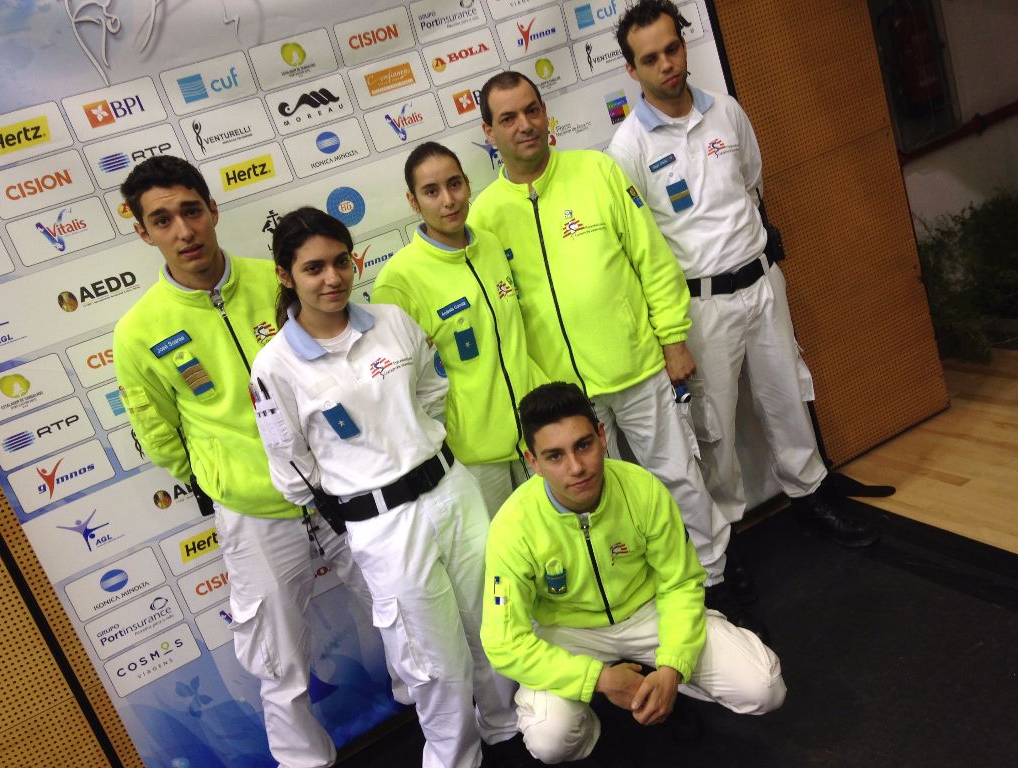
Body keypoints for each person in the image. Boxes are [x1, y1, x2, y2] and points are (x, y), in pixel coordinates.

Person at [114, 157, 389, 768]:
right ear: (143, 232)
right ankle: (304, 761)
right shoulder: (138, 331)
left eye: (191, 211)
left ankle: (436, 713)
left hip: (340, 483)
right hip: (253, 509)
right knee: (278, 659)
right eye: (162, 220)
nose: (184, 230)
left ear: (213, 210)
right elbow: (158, 433)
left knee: (396, 603)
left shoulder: (277, 281)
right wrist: (220, 478)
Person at [468, 71, 763, 633]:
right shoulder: (484, 217)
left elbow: (652, 258)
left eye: (532, 110)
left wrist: (673, 339)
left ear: (545, 112)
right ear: (489, 132)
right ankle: (641, 600)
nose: (525, 125)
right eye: (508, 118)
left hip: (636, 366)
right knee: (596, 503)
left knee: (677, 477)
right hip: (563, 397)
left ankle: (715, 576)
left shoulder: (597, 170)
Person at [607, 0, 876, 563]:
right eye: (650, 58)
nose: (667, 64)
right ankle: (726, 539)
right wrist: (669, 334)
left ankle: (809, 496)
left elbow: (752, 183)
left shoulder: (726, 111)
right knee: (714, 431)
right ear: (631, 69)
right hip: (700, 305)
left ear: (684, 45)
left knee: (786, 397)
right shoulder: (629, 148)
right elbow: (635, 245)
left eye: (672, 49)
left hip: (761, 281)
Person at [250, 207, 517, 768]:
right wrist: (364, 492)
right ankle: (456, 758)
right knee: (433, 662)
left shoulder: (391, 321)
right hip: (384, 525)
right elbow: (294, 470)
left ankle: (509, 729)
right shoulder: (275, 367)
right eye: (314, 268)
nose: (332, 278)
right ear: (285, 276)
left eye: (341, 262)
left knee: (494, 624)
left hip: (452, 491)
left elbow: (432, 391)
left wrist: (409, 445)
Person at [481, 382, 786, 763]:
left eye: (583, 445)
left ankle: (661, 684)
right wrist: (599, 679)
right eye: (555, 456)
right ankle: (598, 713)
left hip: (647, 611)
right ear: (533, 462)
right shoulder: (511, 529)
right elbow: (503, 642)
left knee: (765, 688)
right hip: (569, 631)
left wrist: (672, 668)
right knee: (550, 739)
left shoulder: (644, 490)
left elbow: (680, 583)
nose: (576, 467)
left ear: (602, 436)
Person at [372, 141, 546, 514]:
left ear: (467, 184)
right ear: (413, 201)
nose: (448, 200)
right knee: (497, 549)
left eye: (454, 184)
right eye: (431, 191)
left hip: (534, 433)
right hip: (472, 457)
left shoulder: (491, 246)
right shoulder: (397, 281)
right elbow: (399, 389)